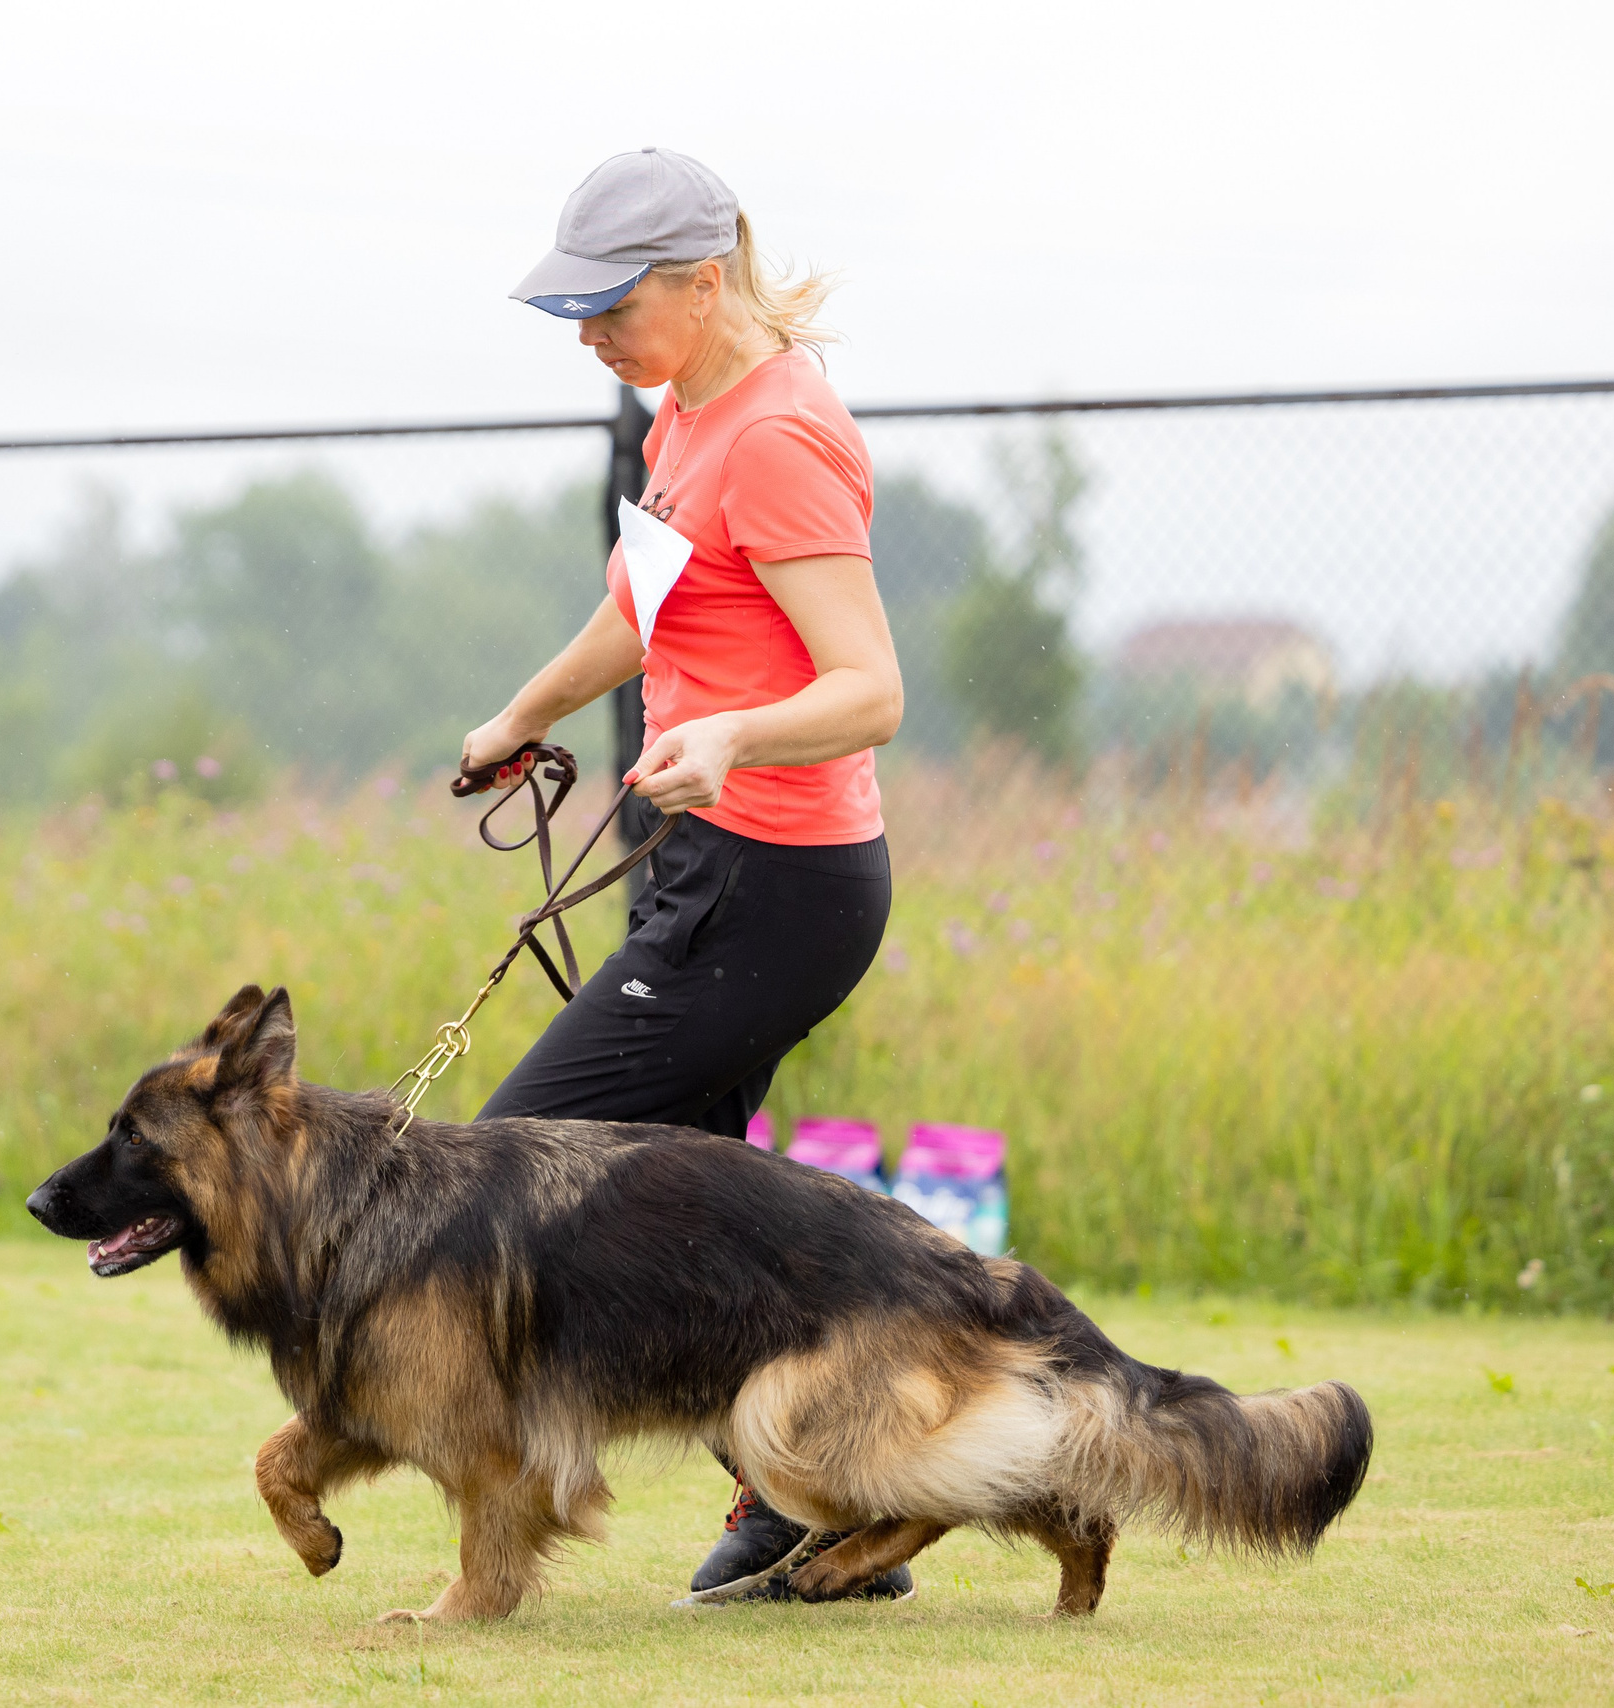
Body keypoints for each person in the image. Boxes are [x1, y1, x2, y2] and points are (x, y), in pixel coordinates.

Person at [463, 148, 909, 1601]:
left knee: (510, 1170)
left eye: (610, 306)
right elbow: (644, 614)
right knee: (688, 1219)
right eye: (572, 310)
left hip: (778, 887)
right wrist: (526, 714)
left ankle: (815, 1488)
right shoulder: (687, 413)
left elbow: (869, 688)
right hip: (709, 869)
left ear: (702, 281)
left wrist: (729, 737)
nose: (587, 336)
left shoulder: (780, 434)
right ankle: (817, 1499)